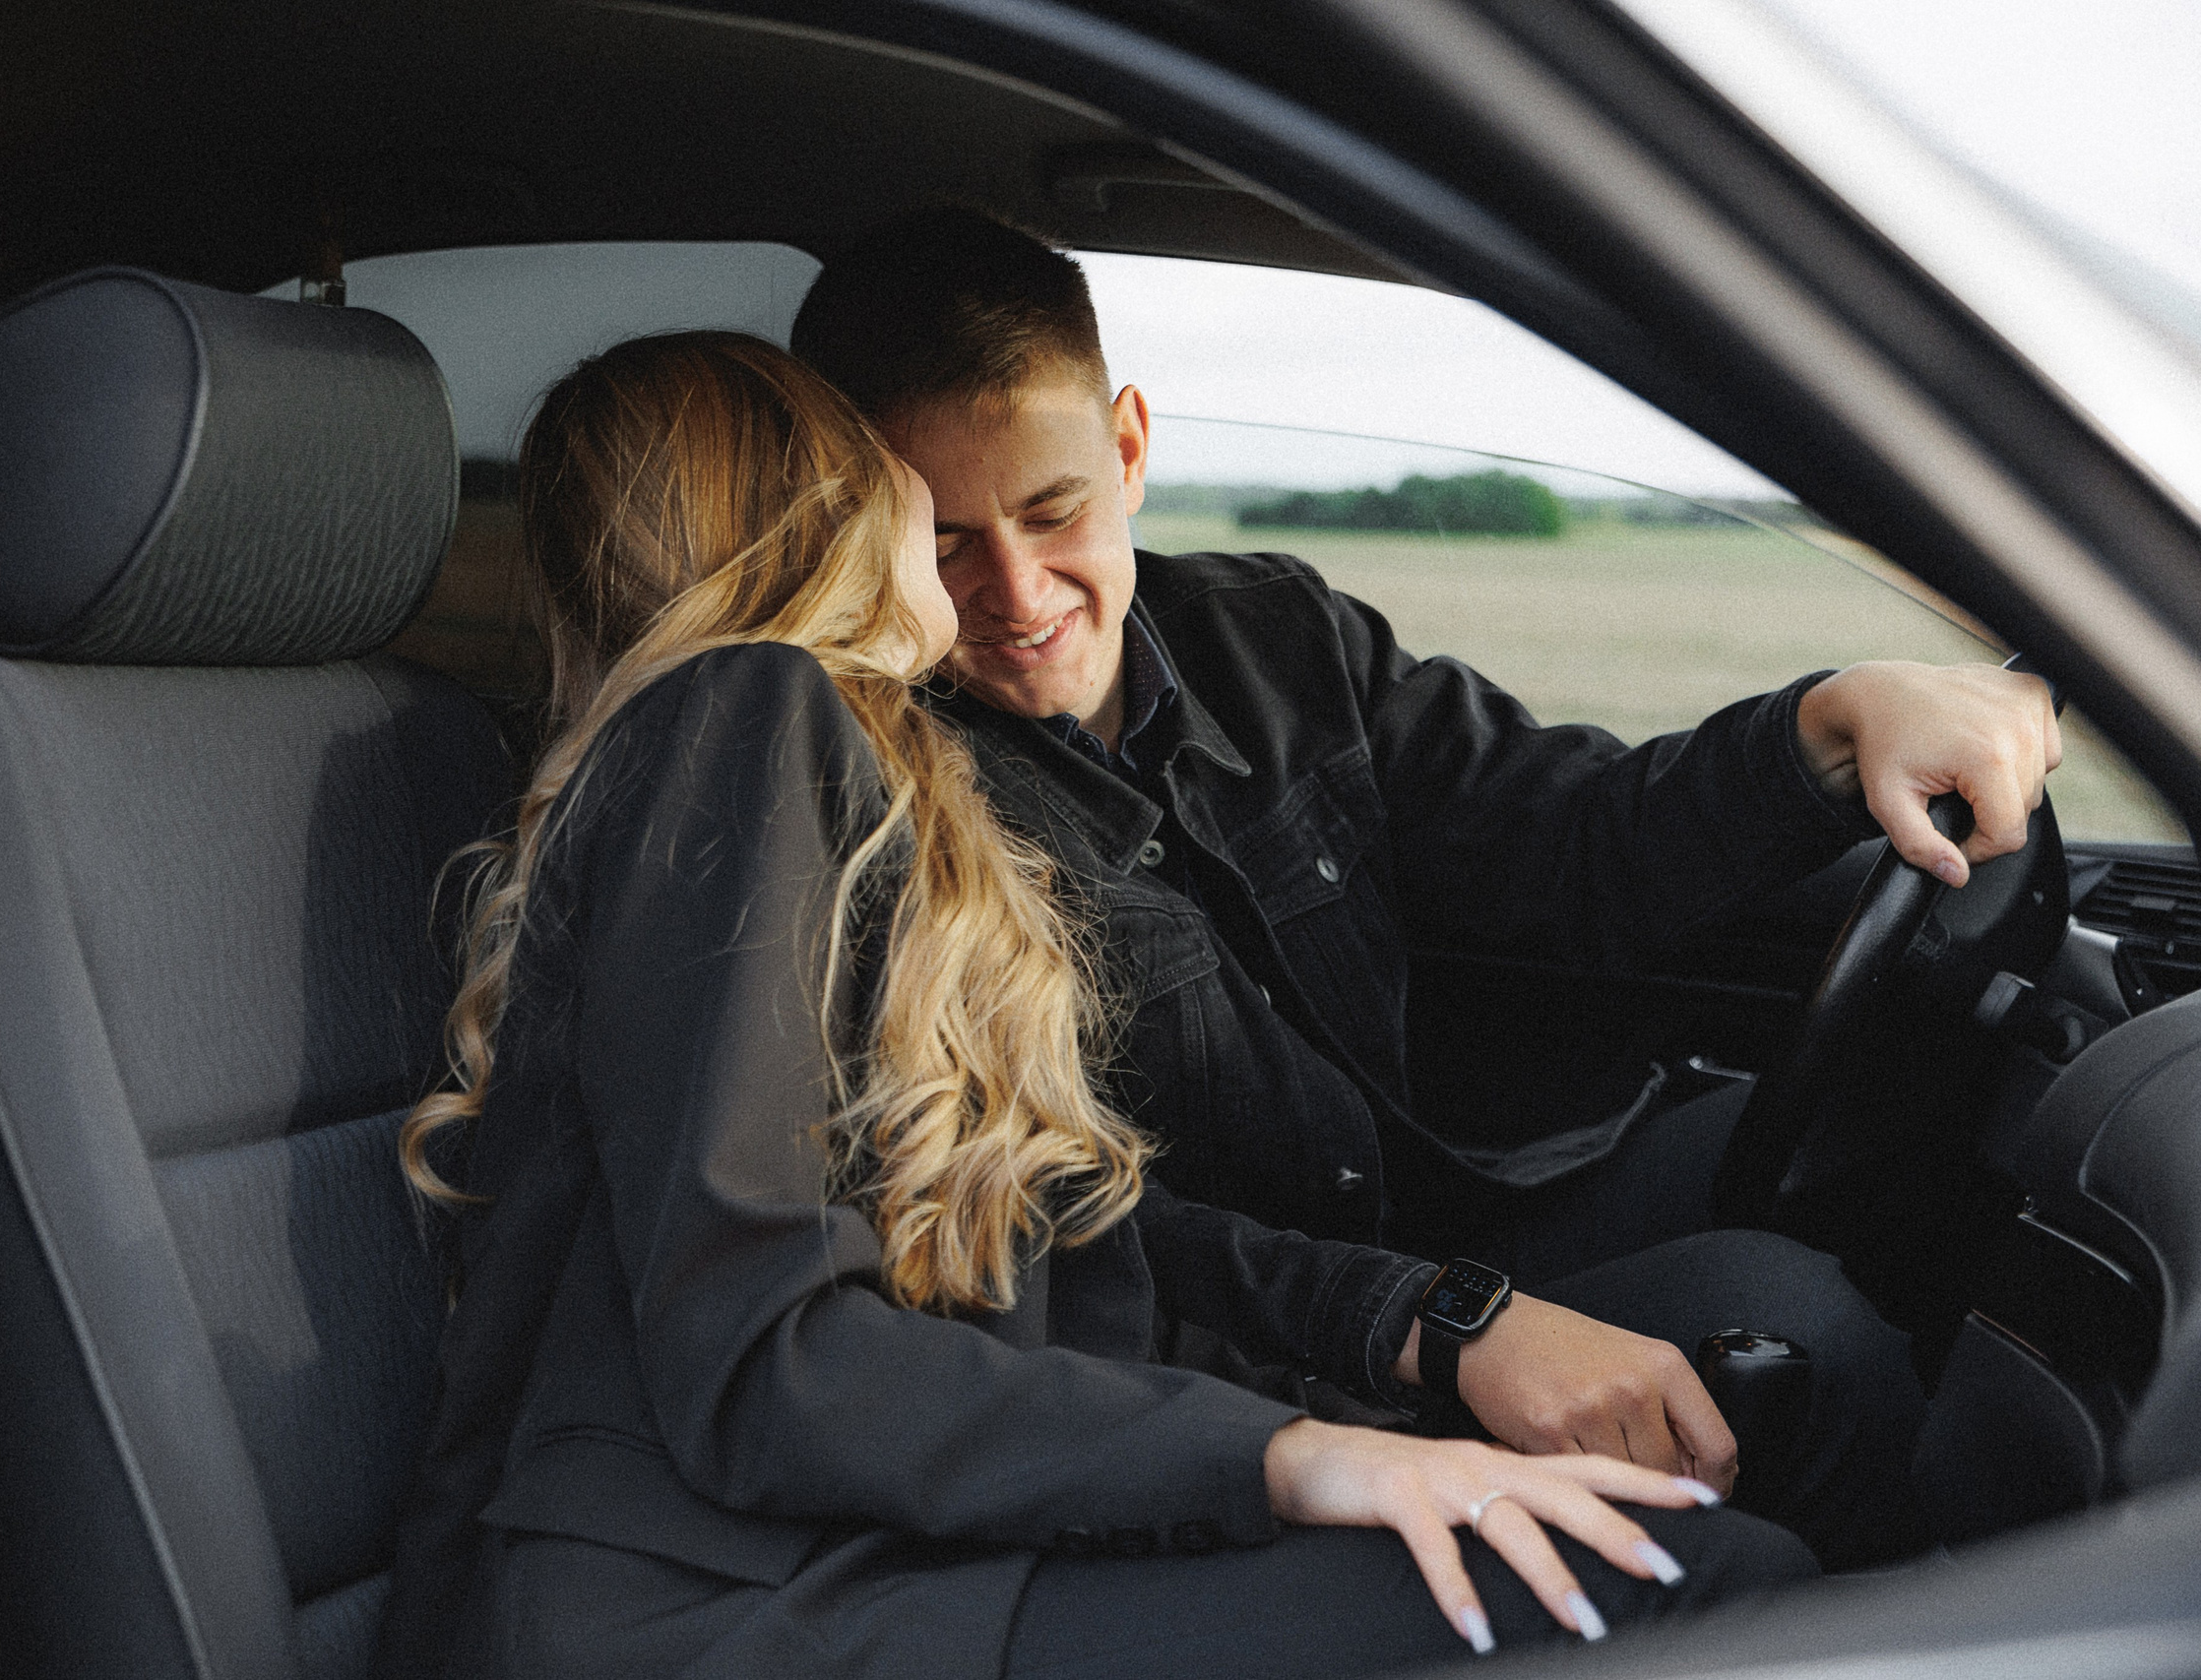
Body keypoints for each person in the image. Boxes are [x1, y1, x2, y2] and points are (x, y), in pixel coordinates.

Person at [374, 332, 1815, 1680]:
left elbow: (1042, 1258)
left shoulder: (863, 767)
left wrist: (1382, 1375)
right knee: (1695, 1588)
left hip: (865, 1545)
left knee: (1679, 1536)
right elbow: (764, 1356)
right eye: (925, 507)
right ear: (835, 507)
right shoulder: (748, 717)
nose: (986, 565)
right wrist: (1287, 1460)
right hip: (716, 1606)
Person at [786, 208, 2066, 1569]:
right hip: (1249, 1355)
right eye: (943, 544)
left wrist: (1832, 717)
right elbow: (1041, 1232)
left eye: (1054, 512)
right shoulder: (881, 788)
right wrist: (1442, 1317)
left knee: (1906, 1141)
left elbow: (1571, 844)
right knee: (1806, 1336)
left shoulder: (1273, 632)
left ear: (1131, 449)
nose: (1015, 590)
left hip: (1445, 1202)